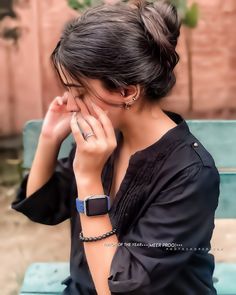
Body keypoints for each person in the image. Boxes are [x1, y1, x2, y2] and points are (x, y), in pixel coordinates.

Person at [11, 0, 220, 294]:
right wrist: (49, 139)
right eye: (68, 90)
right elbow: (42, 207)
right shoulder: (107, 142)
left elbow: (118, 289)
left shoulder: (190, 173)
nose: (70, 103)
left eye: (80, 91)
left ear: (127, 91)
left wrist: (88, 180)